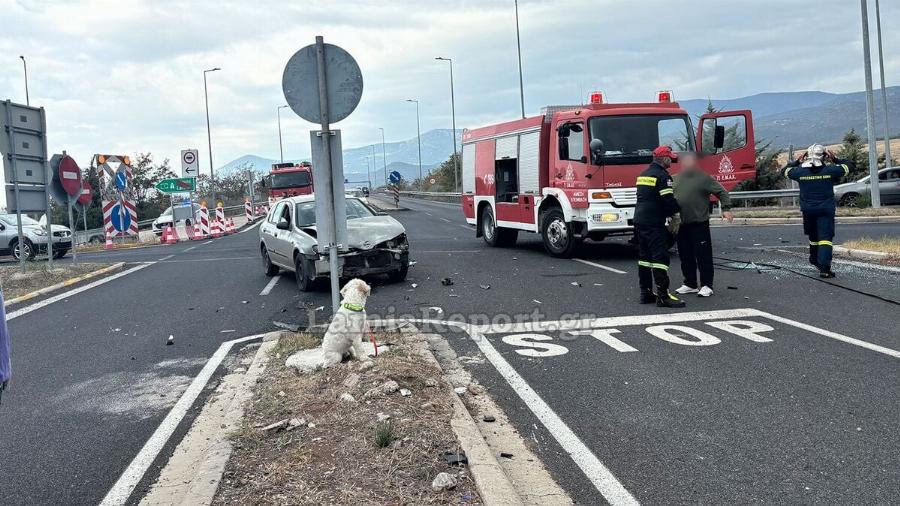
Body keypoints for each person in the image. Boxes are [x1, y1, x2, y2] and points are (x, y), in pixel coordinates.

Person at [782, 144, 853, 278]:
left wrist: (797, 161)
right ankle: (825, 269)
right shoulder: (830, 170)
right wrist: (836, 159)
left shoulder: (800, 173)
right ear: (824, 156)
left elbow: (785, 171)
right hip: (826, 210)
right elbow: (850, 166)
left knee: (813, 237)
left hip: (808, 210)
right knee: (825, 239)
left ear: (807, 157)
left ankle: (814, 259)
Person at [672, 153, 734, 297]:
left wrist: (726, 209)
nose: (687, 164)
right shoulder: (675, 178)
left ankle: (707, 285)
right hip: (681, 224)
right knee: (685, 255)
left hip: (699, 223)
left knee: (703, 255)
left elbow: (722, 192)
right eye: (685, 162)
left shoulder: (703, 178)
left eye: (690, 161)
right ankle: (690, 283)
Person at [634, 145, 684, 308]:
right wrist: (677, 211)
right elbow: (667, 200)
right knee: (660, 258)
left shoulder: (644, 174)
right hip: (654, 222)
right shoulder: (663, 176)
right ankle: (663, 295)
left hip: (640, 220)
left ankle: (645, 293)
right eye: (670, 157)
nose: (672, 160)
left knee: (644, 258)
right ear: (664, 159)